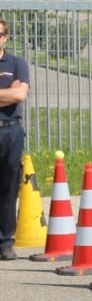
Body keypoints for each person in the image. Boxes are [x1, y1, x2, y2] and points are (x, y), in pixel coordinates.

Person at [0, 15, 30, 261]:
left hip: (10, 130)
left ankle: (5, 241)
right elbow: (13, 93)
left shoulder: (17, 63)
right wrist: (7, 92)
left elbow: (20, 96)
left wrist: (14, 93)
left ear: (6, 38)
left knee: (9, 187)